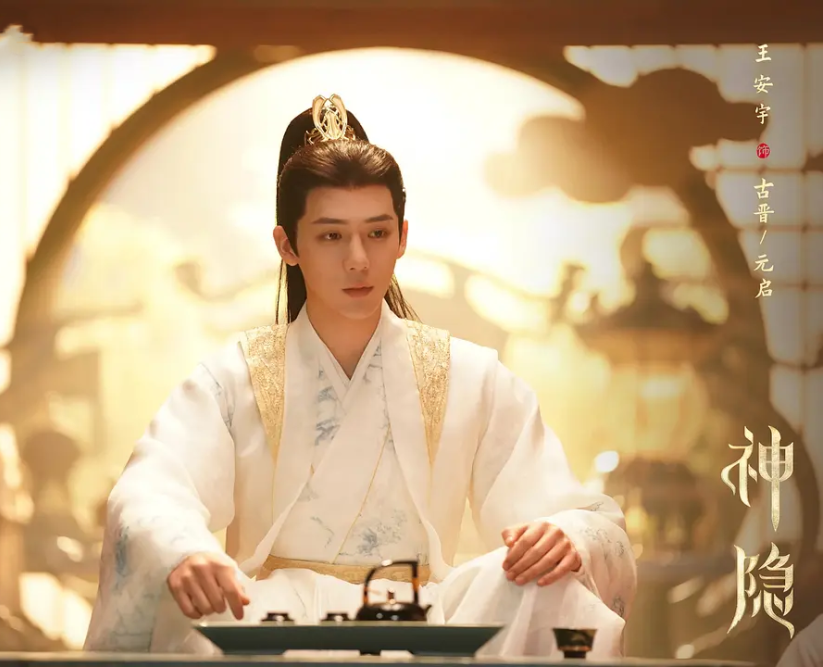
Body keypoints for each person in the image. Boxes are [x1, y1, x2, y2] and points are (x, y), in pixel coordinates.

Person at [83, 94, 637, 657]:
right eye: (331, 235)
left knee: (547, 584)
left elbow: (578, 513)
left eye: (376, 233)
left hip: (425, 622)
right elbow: (155, 486)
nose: (357, 259)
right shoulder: (235, 378)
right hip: (269, 625)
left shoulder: (469, 376)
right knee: (187, 596)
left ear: (402, 237)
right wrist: (185, 551)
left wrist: (567, 535)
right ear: (288, 245)